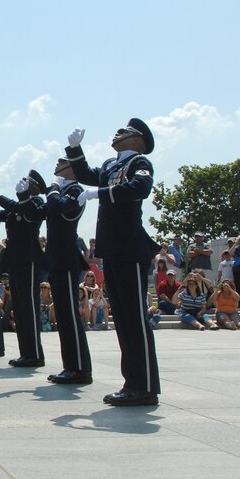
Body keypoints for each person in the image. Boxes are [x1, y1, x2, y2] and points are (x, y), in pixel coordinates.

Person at [66, 118, 160, 406]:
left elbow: (139, 188)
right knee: (122, 318)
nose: (117, 133)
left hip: (130, 248)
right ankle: (132, 382)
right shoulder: (110, 165)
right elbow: (84, 173)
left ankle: (144, 386)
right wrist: (75, 149)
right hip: (113, 250)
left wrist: (101, 193)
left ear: (137, 141)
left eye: (125, 132)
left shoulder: (138, 163)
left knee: (134, 318)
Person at [0, 170, 47, 368]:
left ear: (35, 186)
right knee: (19, 308)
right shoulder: (18, 205)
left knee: (28, 307)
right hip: (15, 260)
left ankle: (35, 354)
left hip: (29, 259)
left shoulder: (36, 203)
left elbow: (21, 209)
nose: (23, 182)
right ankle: (26, 353)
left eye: (27, 181)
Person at [42, 158, 92, 384]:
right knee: (62, 315)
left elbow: (58, 207)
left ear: (70, 169)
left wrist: (53, 189)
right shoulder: (62, 191)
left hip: (67, 259)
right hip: (56, 259)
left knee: (69, 315)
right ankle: (70, 366)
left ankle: (80, 369)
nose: (57, 163)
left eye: (61, 162)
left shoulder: (75, 190)